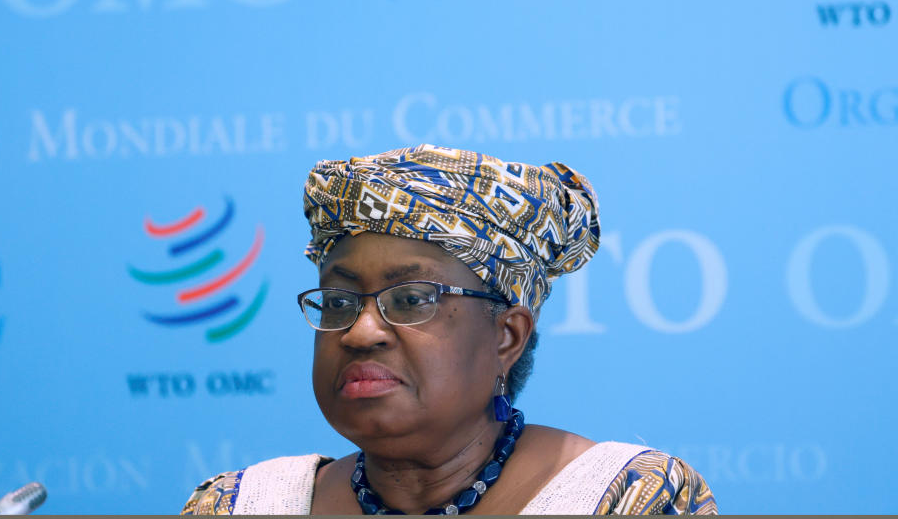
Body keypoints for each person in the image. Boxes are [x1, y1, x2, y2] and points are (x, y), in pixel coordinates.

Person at [181, 144, 717, 515]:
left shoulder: (625, 499)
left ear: (507, 336)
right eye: (340, 300)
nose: (361, 332)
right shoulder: (240, 505)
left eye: (412, 299)